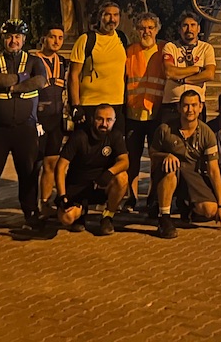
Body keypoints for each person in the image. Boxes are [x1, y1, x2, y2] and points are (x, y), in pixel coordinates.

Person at [0, 19, 48, 241]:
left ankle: (30, 215)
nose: (13, 40)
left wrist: (13, 86)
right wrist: (23, 78)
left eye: (17, 37)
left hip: (25, 128)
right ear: (3, 39)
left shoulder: (34, 60)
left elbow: (40, 81)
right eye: (9, 37)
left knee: (28, 174)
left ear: (24, 40)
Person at [152, 90, 221, 238]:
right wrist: (166, 156)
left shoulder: (207, 133)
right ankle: (164, 217)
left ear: (201, 107)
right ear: (179, 107)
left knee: (210, 210)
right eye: (186, 105)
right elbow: (153, 153)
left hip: (192, 177)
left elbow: (213, 169)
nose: (190, 110)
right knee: (171, 168)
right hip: (169, 174)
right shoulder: (165, 129)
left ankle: (189, 207)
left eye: (194, 105)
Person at [55, 104, 128, 236]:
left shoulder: (115, 136)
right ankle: (81, 212)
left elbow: (124, 161)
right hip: (78, 187)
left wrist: (109, 173)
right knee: (66, 218)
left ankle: (107, 216)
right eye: (100, 119)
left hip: (101, 185)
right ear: (93, 119)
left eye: (108, 120)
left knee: (122, 177)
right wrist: (62, 196)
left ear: (114, 121)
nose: (104, 124)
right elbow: (60, 166)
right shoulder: (79, 136)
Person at [121, 12, 165, 210]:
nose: (146, 32)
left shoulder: (164, 50)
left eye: (150, 28)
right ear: (136, 31)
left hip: (156, 113)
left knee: (156, 158)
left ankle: (153, 198)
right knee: (133, 159)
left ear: (157, 30)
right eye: (142, 28)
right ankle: (132, 197)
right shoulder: (129, 52)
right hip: (133, 114)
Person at [68, 3, 128, 145]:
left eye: (115, 15)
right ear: (100, 17)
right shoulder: (86, 40)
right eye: (107, 15)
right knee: (86, 148)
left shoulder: (122, 38)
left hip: (117, 104)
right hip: (90, 104)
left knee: (115, 149)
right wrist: (75, 106)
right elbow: (73, 75)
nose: (112, 19)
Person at [33, 23, 67, 215]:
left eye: (60, 38)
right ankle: (30, 206)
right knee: (33, 166)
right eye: (52, 37)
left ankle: (45, 203)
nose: (56, 41)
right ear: (44, 38)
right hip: (37, 121)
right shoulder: (33, 60)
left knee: (51, 163)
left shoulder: (62, 61)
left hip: (56, 120)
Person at [160, 13, 215, 121]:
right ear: (179, 29)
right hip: (172, 103)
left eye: (193, 25)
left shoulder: (206, 48)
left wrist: (183, 80)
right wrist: (196, 69)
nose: (189, 29)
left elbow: (209, 74)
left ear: (198, 28)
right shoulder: (170, 47)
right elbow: (169, 72)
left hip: (196, 104)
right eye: (185, 25)